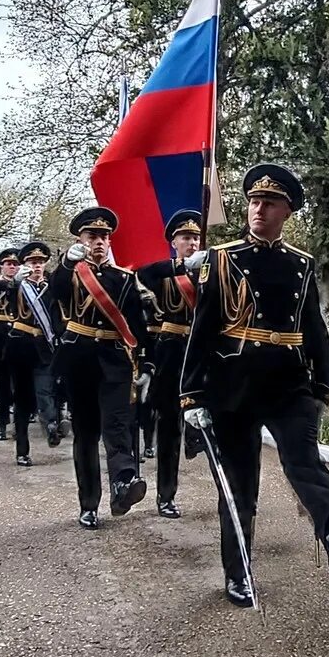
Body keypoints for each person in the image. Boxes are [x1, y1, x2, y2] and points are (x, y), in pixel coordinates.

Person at [180, 164, 329, 608]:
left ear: (287, 211)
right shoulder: (222, 259)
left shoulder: (302, 263)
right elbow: (202, 332)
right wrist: (192, 395)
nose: (259, 209)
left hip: (289, 382)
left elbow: (312, 327)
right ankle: (238, 572)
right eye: (254, 202)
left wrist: (323, 385)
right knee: (240, 488)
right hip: (233, 385)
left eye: (270, 203)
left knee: (304, 463)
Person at [47, 207, 149, 529]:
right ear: (80, 238)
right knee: (87, 434)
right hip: (80, 360)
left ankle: (123, 483)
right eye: (92, 235)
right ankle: (88, 502)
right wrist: (65, 264)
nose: (99, 242)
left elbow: (137, 325)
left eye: (105, 236)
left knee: (118, 426)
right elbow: (55, 298)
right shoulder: (70, 273)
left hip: (115, 359)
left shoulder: (124, 278)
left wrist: (147, 362)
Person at [136, 208, 207, 518]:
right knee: (169, 426)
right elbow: (142, 275)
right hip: (172, 349)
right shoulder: (164, 273)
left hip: (203, 352)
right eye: (185, 238)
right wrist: (180, 266)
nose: (191, 243)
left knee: (213, 418)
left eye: (195, 237)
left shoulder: (210, 270)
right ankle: (166, 496)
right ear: (174, 243)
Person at [4, 240, 58, 466]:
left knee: (45, 391)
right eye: (32, 262)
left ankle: (52, 424)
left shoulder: (51, 286)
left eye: (40, 262)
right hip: (21, 346)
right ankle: (22, 450)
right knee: (23, 401)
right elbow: (3, 297)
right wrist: (14, 281)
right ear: (24, 264)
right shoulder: (17, 286)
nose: (36, 266)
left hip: (44, 348)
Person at [0, 249, 21, 441]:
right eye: (8, 264)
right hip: (0, 336)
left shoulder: (25, 284)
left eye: (15, 264)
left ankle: (20, 422)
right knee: (1, 383)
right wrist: (14, 283)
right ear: (2, 266)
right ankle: (1, 424)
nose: (12, 267)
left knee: (20, 383)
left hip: (19, 335)